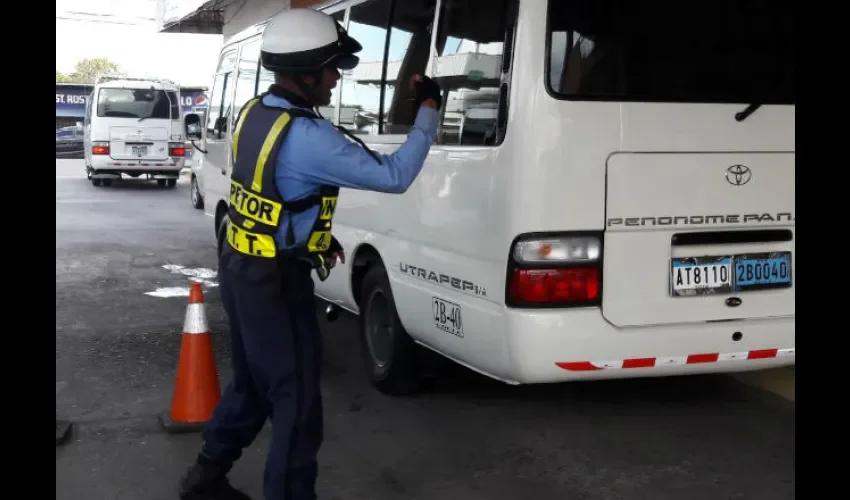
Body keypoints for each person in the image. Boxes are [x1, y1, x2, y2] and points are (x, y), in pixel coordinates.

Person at [178, 7, 442, 500]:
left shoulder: (256, 114)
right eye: (333, 68)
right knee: (296, 404)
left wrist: (314, 237)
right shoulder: (309, 135)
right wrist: (428, 111)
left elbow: (270, 195)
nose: (338, 79)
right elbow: (394, 175)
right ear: (307, 73)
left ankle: (204, 481)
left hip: (242, 266)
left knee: (254, 387)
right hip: (275, 284)